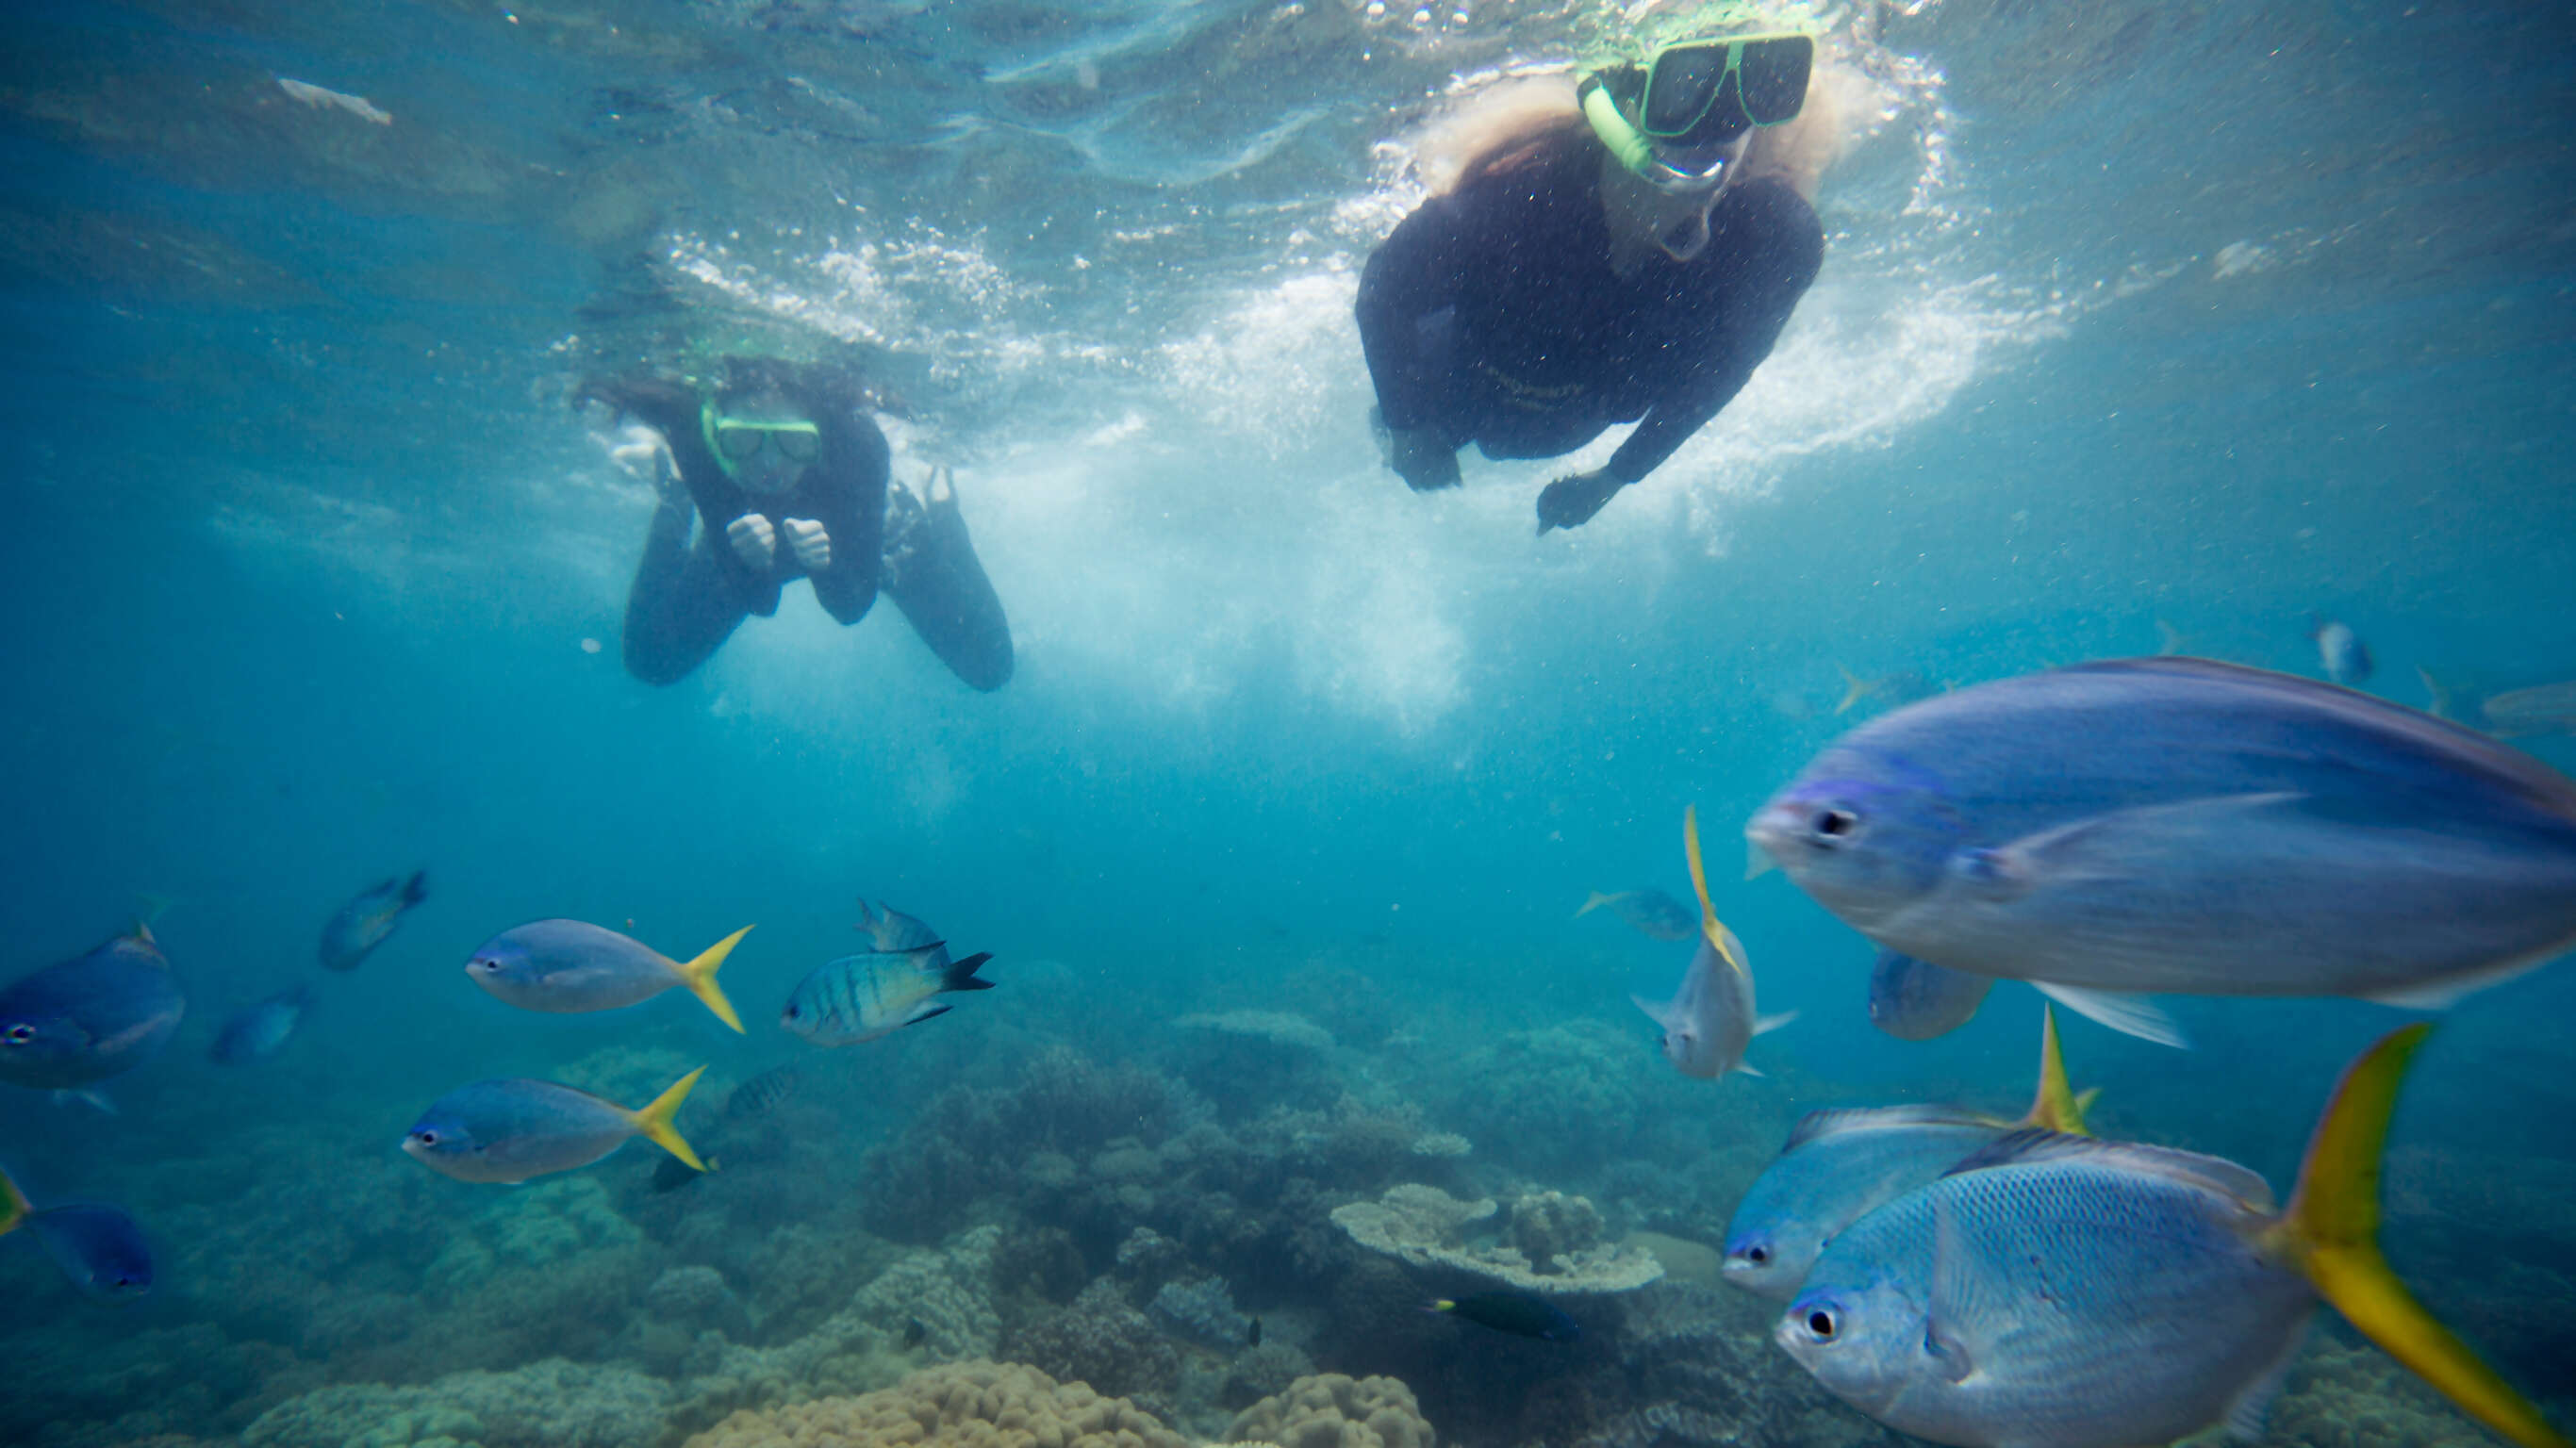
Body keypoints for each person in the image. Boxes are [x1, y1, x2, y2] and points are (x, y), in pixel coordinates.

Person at [1357, 18, 1839, 534]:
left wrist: (1614, 479)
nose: (1721, 126)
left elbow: (1720, 373)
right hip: (1457, 385)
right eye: (1686, 89)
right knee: (1394, 435)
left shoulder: (1774, 240)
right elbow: (1385, 290)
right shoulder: (1520, 197)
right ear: (1622, 103)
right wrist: (1405, 426)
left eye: (1764, 87)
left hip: (1574, 419)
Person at [576, 358, 1013, 691]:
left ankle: (941, 504)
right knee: (650, 661)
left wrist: (826, 567)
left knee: (990, 666)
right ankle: (674, 492)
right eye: (744, 440)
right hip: (745, 538)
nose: (769, 466)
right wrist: (750, 563)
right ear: (717, 431)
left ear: (819, 434)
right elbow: (760, 602)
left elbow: (850, 605)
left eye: (793, 443)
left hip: (866, 533)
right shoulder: (693, 432)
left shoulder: (860, 444)